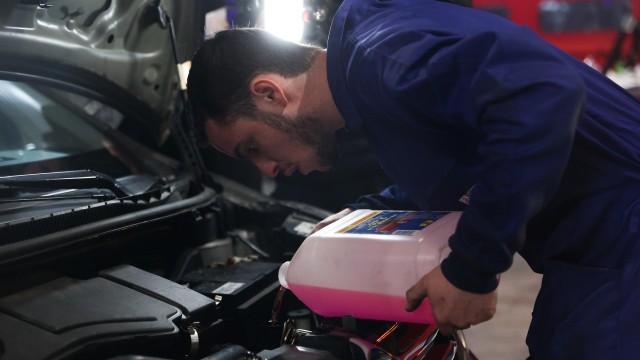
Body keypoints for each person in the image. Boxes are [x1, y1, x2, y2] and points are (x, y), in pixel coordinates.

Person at [187, 1, 640, 358]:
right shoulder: (373, 81)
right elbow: (460, 173)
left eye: (252, 147)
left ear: (269, 92)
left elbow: (544, 95)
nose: (265, 168)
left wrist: (471, 268)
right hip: (595, 255)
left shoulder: (381, 54)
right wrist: (362, 216)